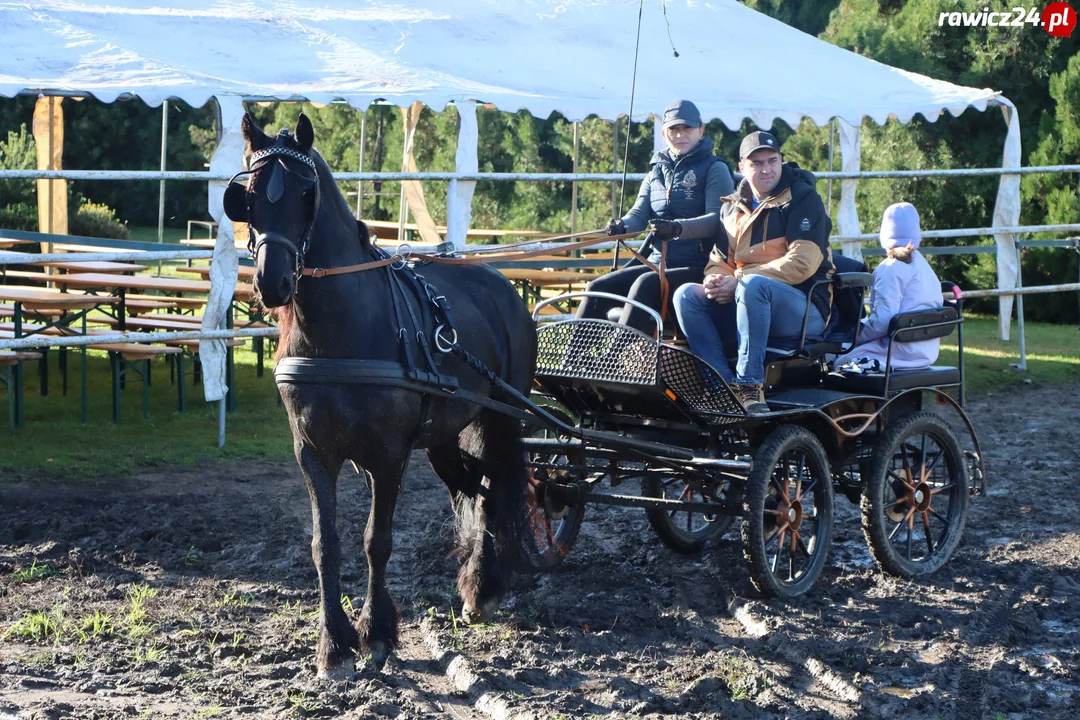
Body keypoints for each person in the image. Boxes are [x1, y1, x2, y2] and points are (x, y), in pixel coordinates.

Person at [673, 130, 834, 413]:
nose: (766, 169)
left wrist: (738, 281)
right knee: (686, 295)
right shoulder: (731, 208)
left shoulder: (803, 199)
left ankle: (750, 387)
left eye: (772, 160)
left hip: (805, 307)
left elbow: (802, 263)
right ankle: (721, 387)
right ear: (742, 168)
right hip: (747, 301)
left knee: (754, 286)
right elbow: (720, 260)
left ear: (781, 161)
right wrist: (715, 279)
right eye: (757, 163)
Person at [576, 100, 734, 333]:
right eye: (674, 129)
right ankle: (572, 362)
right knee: (597, 287)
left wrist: (677, 228)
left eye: (687, 128)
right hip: (658, 263)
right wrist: (622, 225)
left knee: (645, 284)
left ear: (700, 131)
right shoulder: (656, 173)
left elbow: (717, 220)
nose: (680, 135)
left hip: (700, 266)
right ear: (664, 133)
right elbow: (638, 214)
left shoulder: (715, 169)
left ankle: (612, 360)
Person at [833, 202, 942, 372]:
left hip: (899, 352)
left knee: (837, 360)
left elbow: (883, 320)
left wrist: (855, 337)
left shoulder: (889, 269)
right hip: (925, 352)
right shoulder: (924, 267)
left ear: (884, 234)